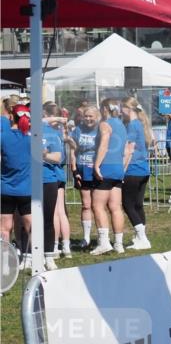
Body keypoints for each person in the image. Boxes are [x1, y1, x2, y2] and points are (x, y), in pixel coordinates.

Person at [92, 98, 130, 255]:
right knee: (115, 207)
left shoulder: (104, 124)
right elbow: (127, 150)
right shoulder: (121, 125)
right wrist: (123, 168)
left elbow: (105, 143)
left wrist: (96, 165)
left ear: (105, 109)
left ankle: (104, 242)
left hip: (106, 167)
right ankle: (119, 244)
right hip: (118, 169)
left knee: (98, 206)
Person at [2, 104, 33, 269]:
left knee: (4, 228)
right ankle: (32, 258)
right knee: (31, 225)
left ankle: (5, 263)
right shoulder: (31, 138)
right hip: (26, 189)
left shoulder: (3, 137)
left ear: (11, 117)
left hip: (6, 188)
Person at [121, 97, 153, 250]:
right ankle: (140, 237)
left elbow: (129, 150)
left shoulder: (132, 126)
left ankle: (142, 237)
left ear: (128, 109)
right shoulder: (140, 124)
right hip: (143, 169)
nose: (120, 111)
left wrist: (122, 171)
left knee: (128, 205)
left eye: (122, 108)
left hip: (133, 170)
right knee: (138, 205)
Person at [66, 105, 99, 248]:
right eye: (86, 116)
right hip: (82, 170)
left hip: (97, 171)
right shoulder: (78, 130)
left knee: (98, 206)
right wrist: (74, 170)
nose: (88, 119)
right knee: (86, 205)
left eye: (91, 116)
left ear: (96, 117)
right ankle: (86, 239)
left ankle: (101, 238)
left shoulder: (101, 130)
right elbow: (73, 151)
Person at [43, 103, 73, 259]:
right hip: (60, 174)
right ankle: (66, 246)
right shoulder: (61, 131)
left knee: (54, 213)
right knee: (61, 212)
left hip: (53, 174)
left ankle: (54, 245)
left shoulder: (49, 132)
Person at [41, 105, 66, 269]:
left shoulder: (50, 132)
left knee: (48, 218)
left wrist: (42, 155)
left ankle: (49, 255)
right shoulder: (24, 130)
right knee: (28, 220)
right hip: (28, 181)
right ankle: (29, 255)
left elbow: (58, 157)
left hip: (48, 179)